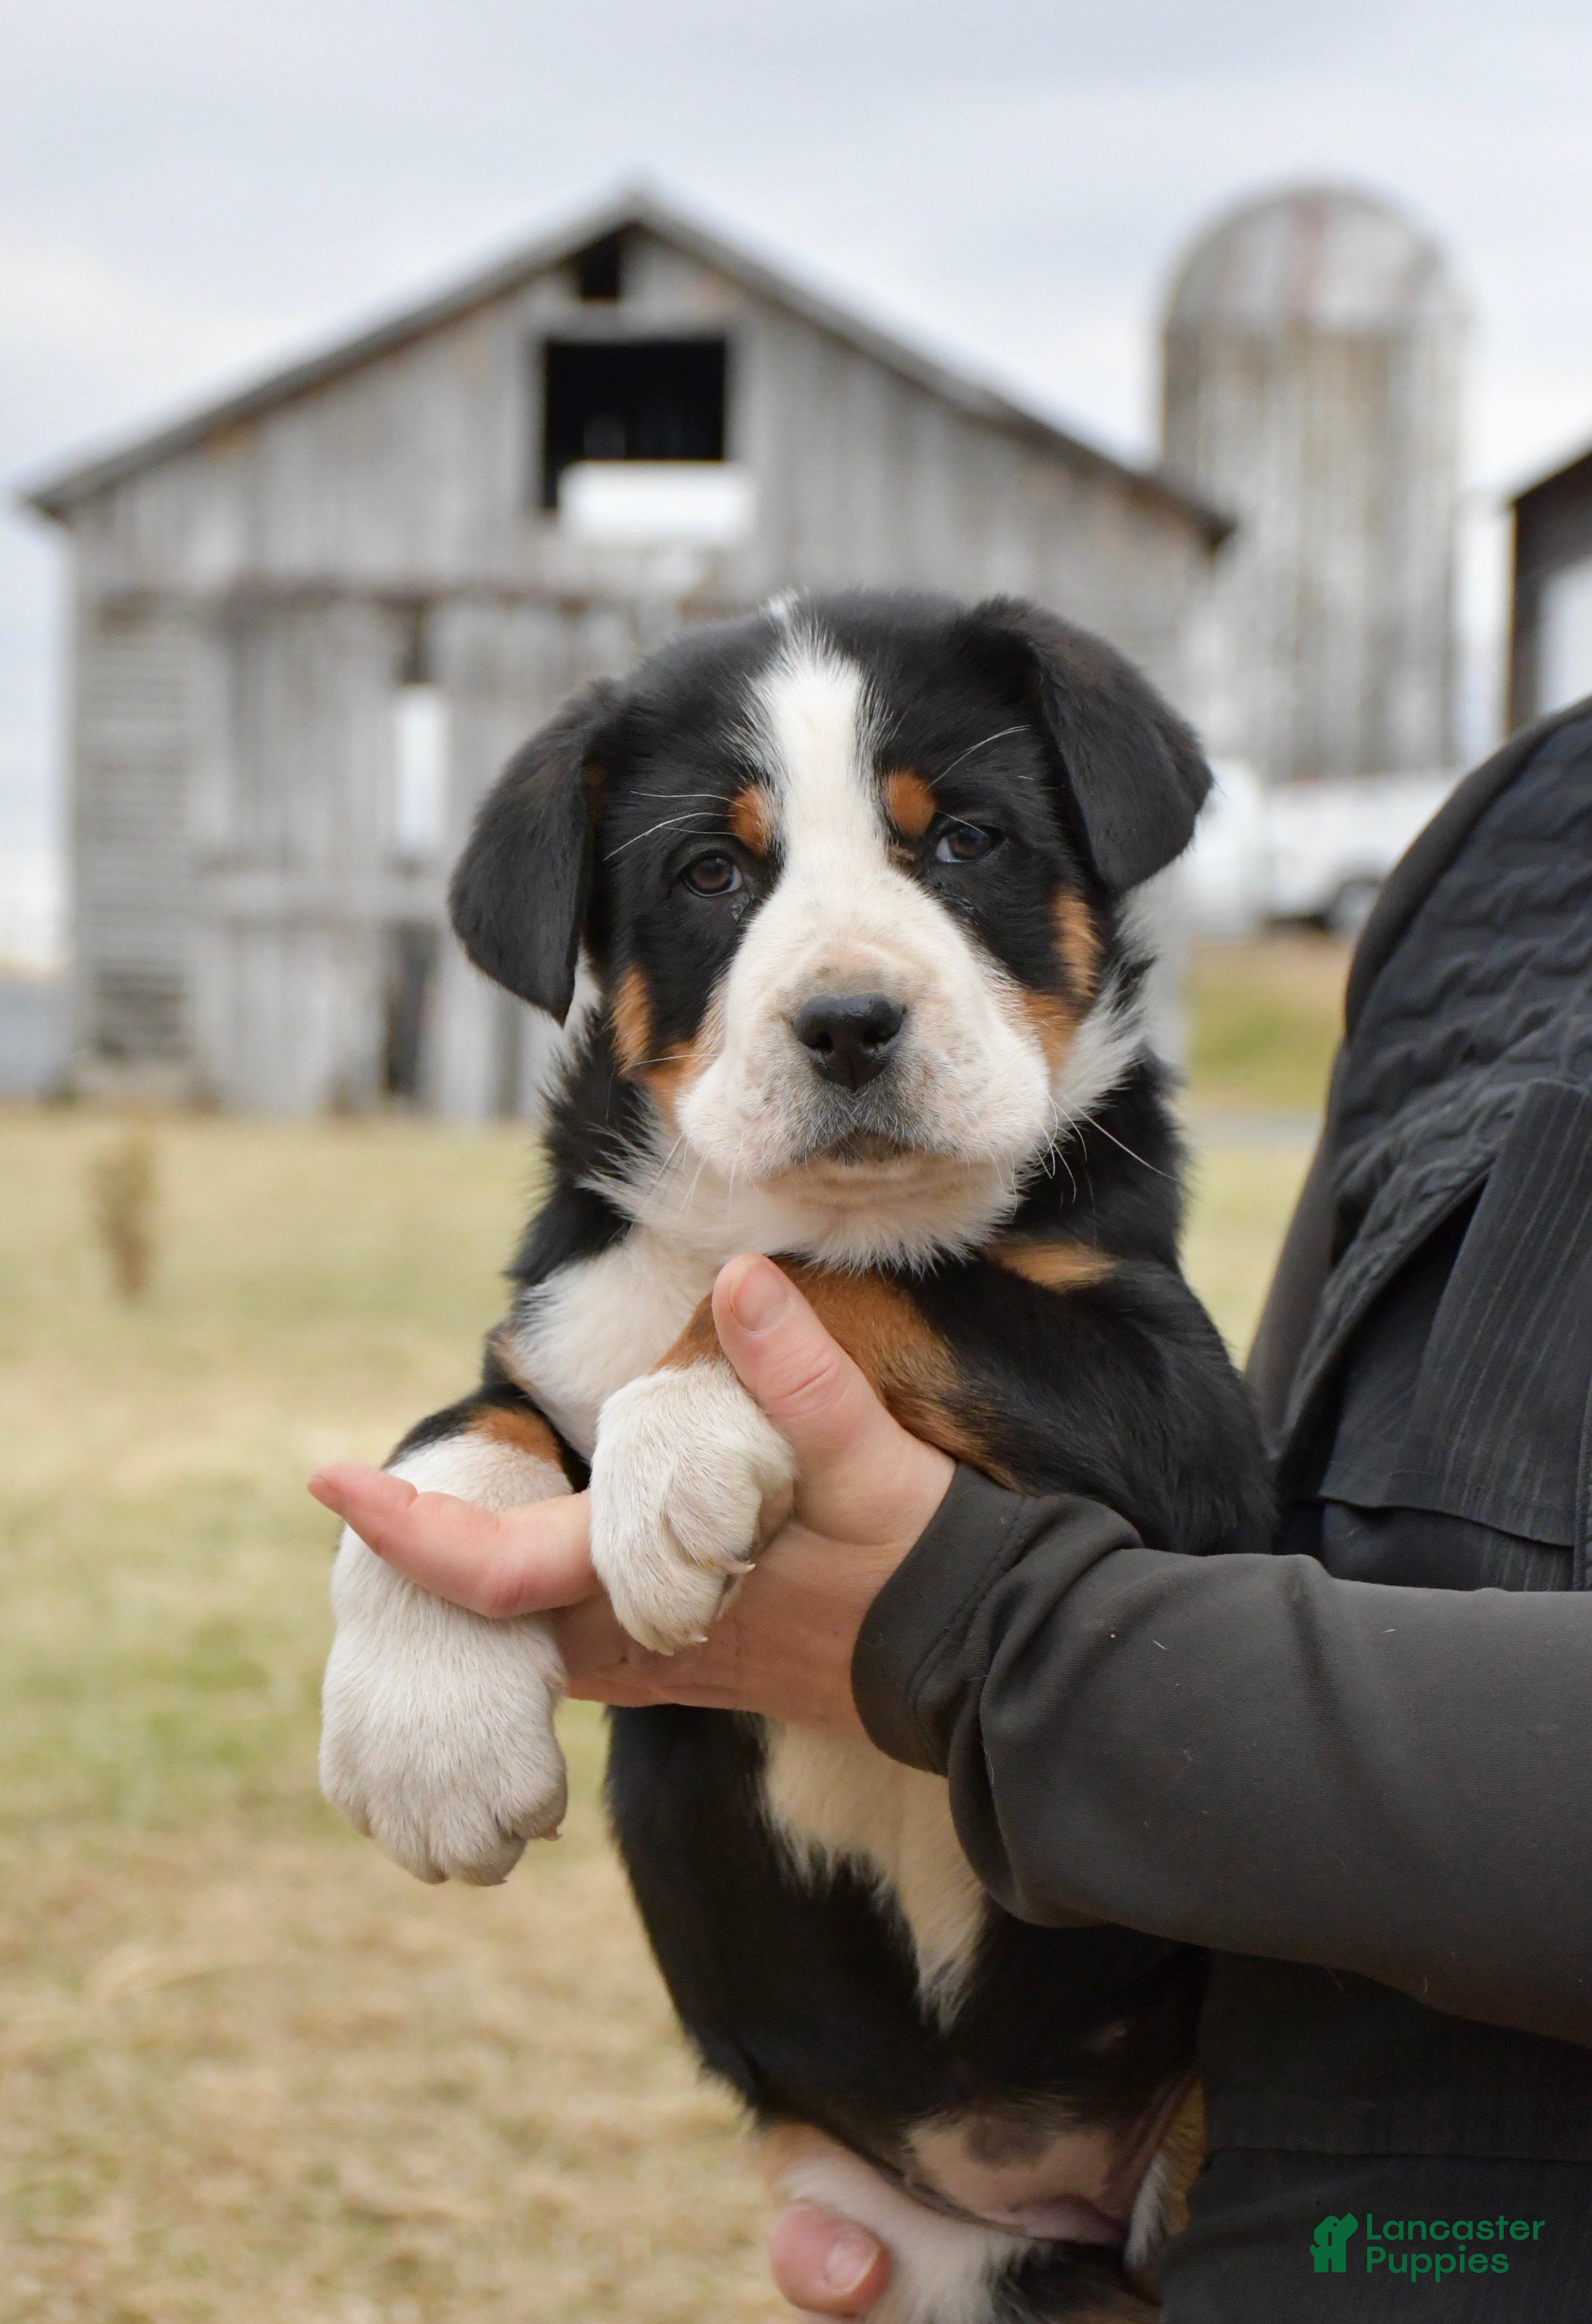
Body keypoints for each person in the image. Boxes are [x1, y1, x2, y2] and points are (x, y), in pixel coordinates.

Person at [312, 699, 1592, 2319]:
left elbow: (1174, 1451)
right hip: (900, 2164)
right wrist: (422, 1555)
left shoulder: (1077, 1250)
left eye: (965, 839)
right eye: (712, 872)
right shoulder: (1511, 838)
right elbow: (1289, 1452)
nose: (846, 982)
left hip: (1248, 2124)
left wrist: (827, 1446)